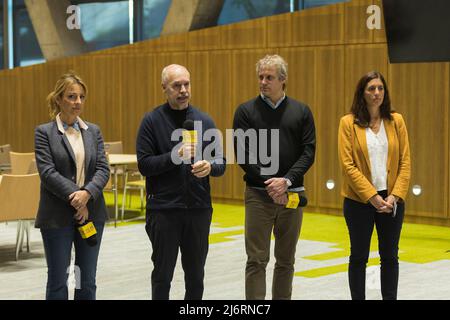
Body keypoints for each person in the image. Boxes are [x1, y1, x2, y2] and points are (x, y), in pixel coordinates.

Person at [136, 64, 226, 300]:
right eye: (177, 85)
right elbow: (144, 165)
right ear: (164, 88)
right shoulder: (151, 121)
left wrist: (210, 167)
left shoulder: (205, 121)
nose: (184, 90)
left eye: (187, 84)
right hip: (164, 211)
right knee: (162, 275)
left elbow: (221, 162)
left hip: (198, 210)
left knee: (196, 277)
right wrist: (173, 157)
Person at [233, 54, 316, 300]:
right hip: (259, 196)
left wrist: (286, 181)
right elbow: (243, 154)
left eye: (269, 77)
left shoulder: (301, 111)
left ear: (283, 80)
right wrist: (272, 184)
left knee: (286, 261)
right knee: (256, 260)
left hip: (291, 195)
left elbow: (309, 151)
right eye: (260, 77)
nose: (263, 82)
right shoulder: (246, 111)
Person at [34, 72, 110, 300]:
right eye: (71, 96)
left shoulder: (93, 131)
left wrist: (86, 195)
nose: (78, 102)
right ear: (59, 99)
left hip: (92, 212)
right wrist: (77, 199)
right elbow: (47, 173)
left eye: (81, 97)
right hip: (57, 215)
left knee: (87, 281)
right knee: (58, 280)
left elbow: (103, 169)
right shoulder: (44, 132)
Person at [338, 71, 411, 300]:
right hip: (358, 201)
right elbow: (348, 165)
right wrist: (371, 196)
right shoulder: (348, 123)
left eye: (380, 88)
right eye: (371, 88)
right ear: (362, 92)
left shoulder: (396, 120)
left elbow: (405, 162)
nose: (376, 93)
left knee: (390, 256)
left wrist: (395, 196)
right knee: (358, 256)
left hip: (391, 201)